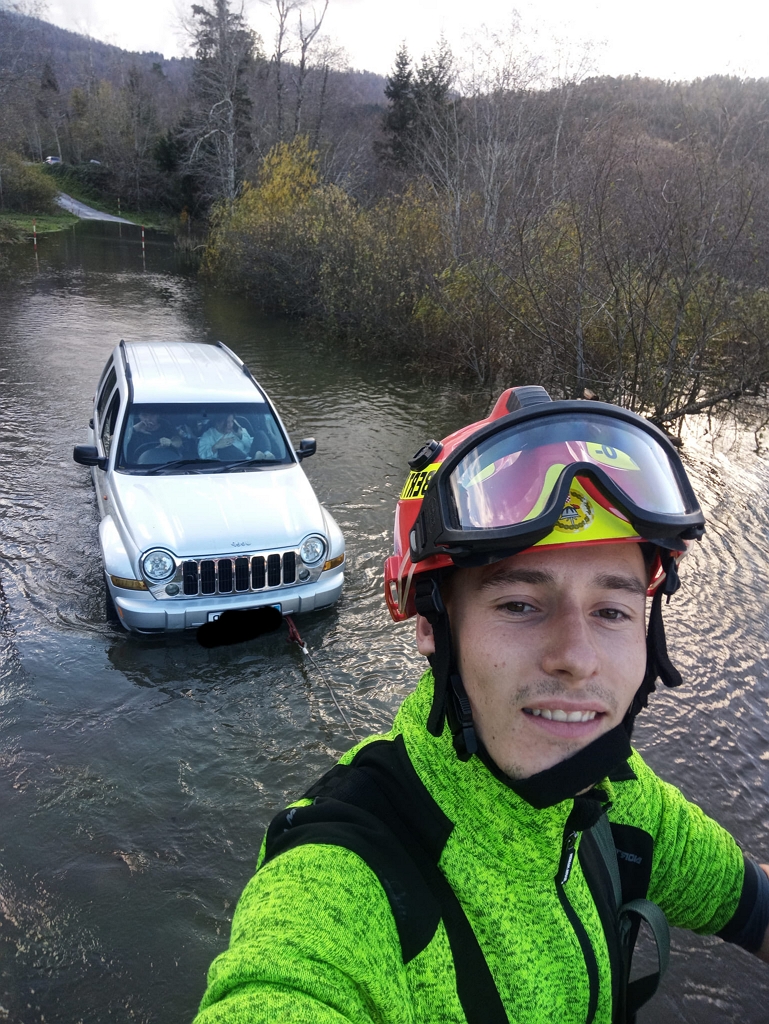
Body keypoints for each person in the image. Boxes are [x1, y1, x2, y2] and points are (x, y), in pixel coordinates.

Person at [193, 386, 769, 1024]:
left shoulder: (619, 799)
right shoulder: (344, 873)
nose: (576, 658)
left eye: (612, 611)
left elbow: (750, 902)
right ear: (431, 625)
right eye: (519, 604)